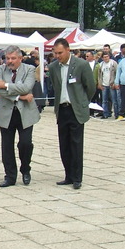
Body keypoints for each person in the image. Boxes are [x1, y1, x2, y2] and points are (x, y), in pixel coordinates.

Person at [49, 38, 95, 190]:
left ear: (68, 50)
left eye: (60, 53)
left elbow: (90, 87)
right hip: (62, 109)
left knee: (76, 144)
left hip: (76, 109)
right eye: (55, 53)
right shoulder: (53, 67)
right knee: (64, 144)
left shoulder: (81, 65)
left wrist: (82, 101)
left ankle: (77, 177)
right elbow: (55, 87)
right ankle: (68, 175)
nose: (58, 56)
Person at [0, 46, 37, 187]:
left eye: (13, 58)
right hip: (6, 112)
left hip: (26, 113)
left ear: (20, 58)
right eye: (7, 58)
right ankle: (10, 176)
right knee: (7, 146)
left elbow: (27, 88)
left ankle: (25, 169)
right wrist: (19, 97)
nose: (10, 61)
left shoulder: (29, 69)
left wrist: (5, 84)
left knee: (25, 143)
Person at [97, 52, 117, 118]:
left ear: (109, 57)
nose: (106, 58)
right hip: (104, 84)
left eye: (107, 57)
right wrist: (100, 83)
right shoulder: (101, 64)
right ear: (102, 58)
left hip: (111, 84)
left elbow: (117, 73)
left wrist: (115, 83)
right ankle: (105, 114)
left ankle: (117, 114)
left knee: (114, 100)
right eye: (104, 57)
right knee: (104, 101)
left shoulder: (113, 63)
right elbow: (99, 75)